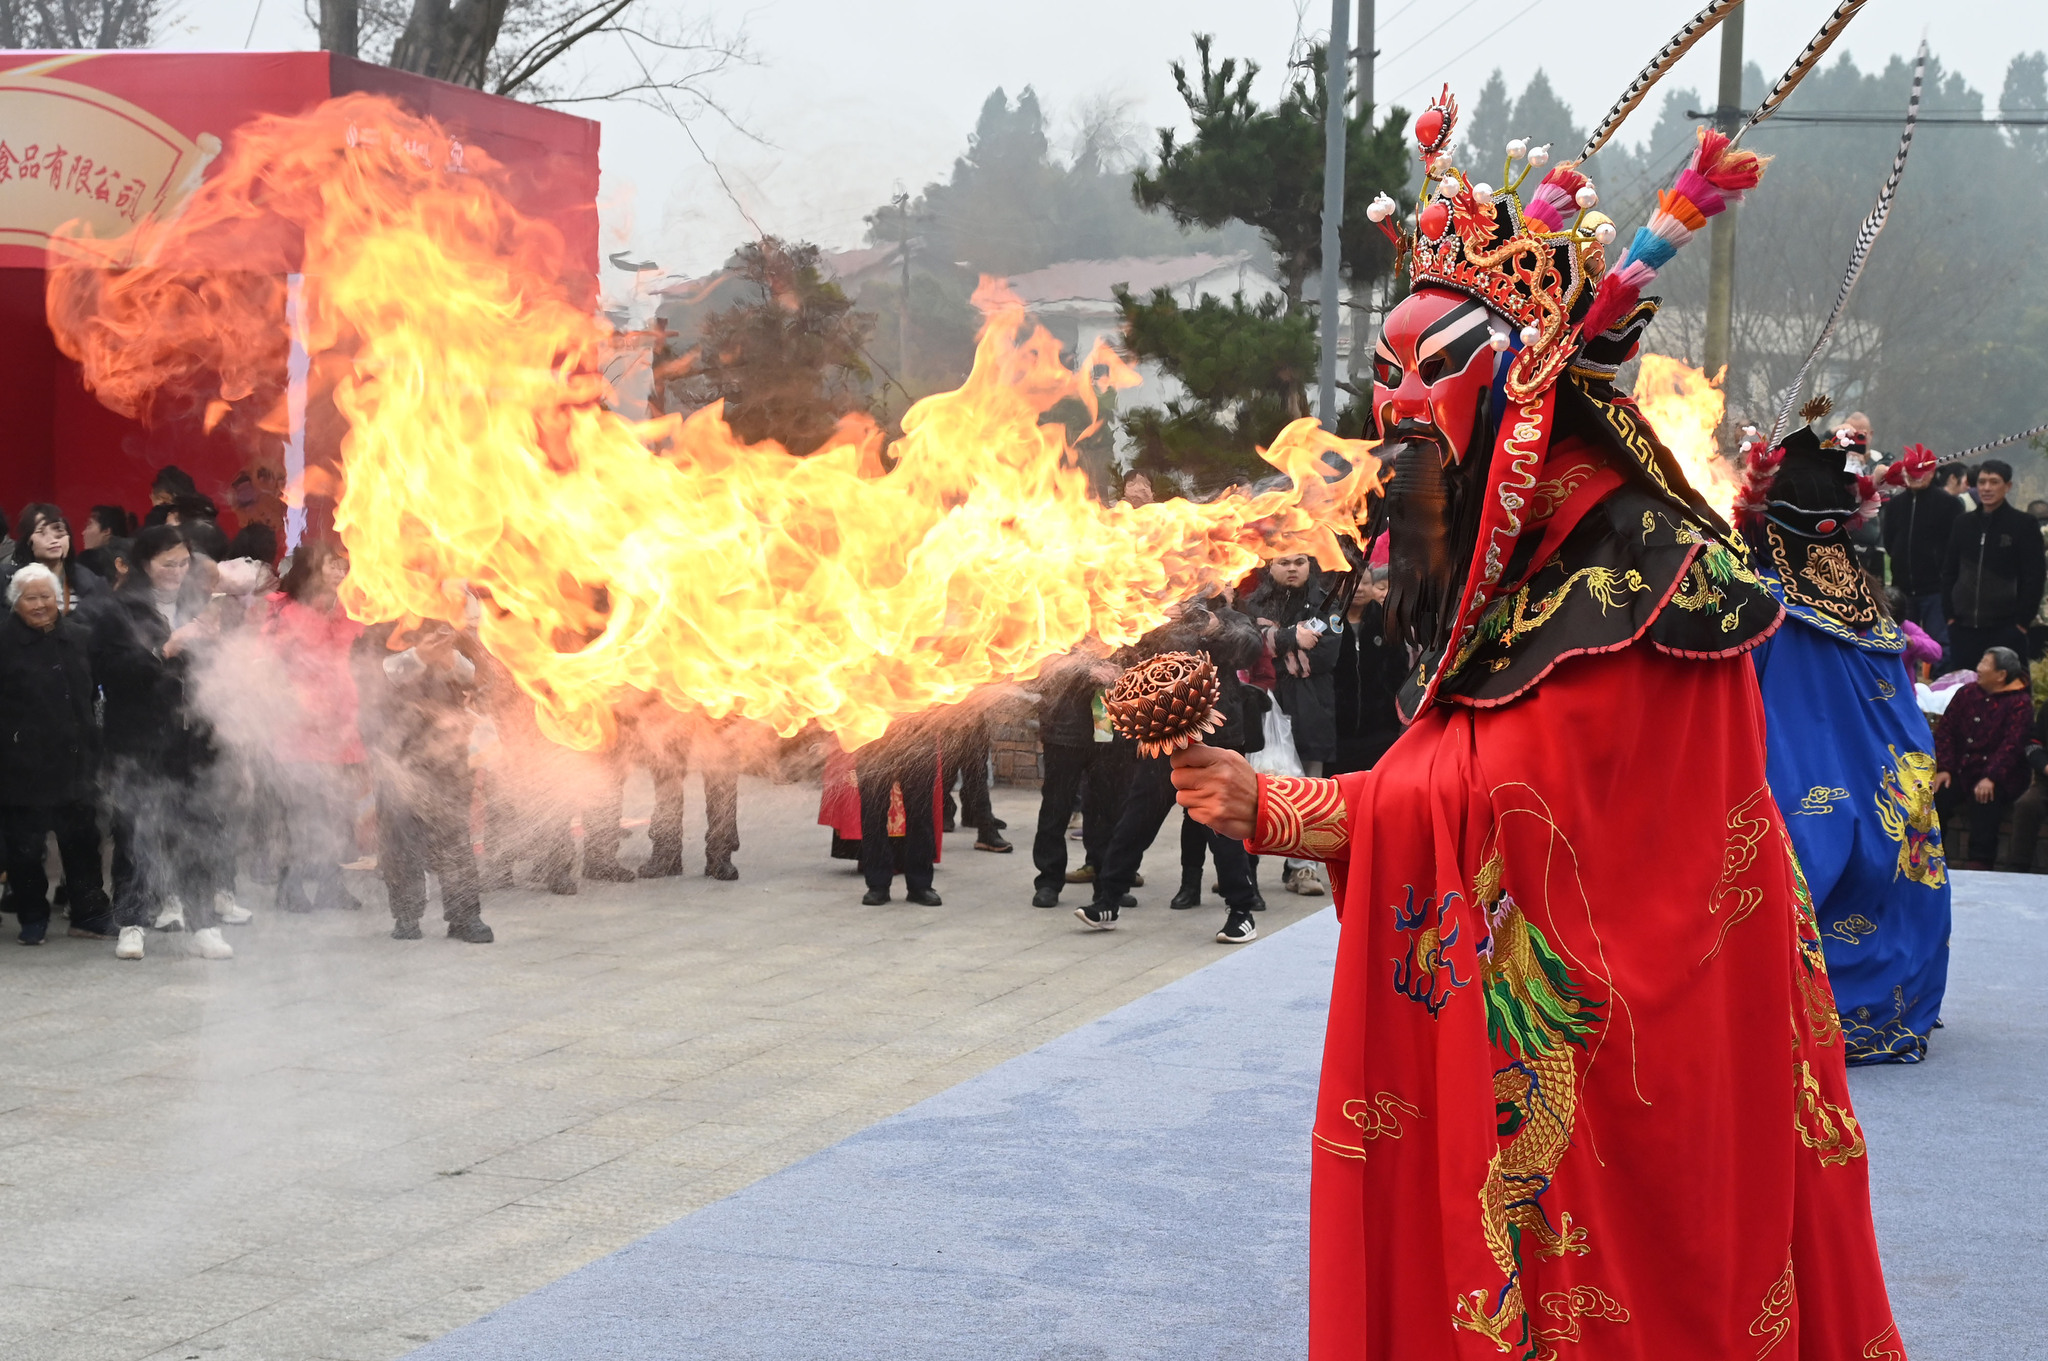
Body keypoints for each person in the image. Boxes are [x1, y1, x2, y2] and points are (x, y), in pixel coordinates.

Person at [1169, 94, 1899, 1356]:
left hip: (1647, 1030)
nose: (1394, 409)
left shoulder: (1639, 566)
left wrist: (1287, 805)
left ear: (1519, 386)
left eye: (1426, 368)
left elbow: (1515, 791)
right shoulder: (1525, 556)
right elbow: (1458, 751)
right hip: (1596, 1000)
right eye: (1382, 371)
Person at [1741, 422, 1950, 1063]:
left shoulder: (1761, 610)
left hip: (1799, 797)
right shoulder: (1880, 618)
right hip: (1891, 799)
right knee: (1893, 849)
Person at [1077, 595, 1263, 943]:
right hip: (1161, 739)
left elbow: (1250, 649)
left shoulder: (1228, 618)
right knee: (1136, 820)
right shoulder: (1153, 618)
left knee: (1219, 826)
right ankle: (1106, 901)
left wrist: (1214, 627)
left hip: (1213, 739)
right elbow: (1127, 655)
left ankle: (1242, 911)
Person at [90, 525, 232, 960]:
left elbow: (214, 671)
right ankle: (131, 922)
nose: (176, 571)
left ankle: (203, 922)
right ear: (143, 563)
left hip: (190, 738)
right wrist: (167, 649)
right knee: (135, 830)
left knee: (196, 828)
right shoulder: (119, 609)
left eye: (183, 562)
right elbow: (111, 675)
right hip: (137, 738)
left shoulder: (197, 605)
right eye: (166, 563)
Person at [357, 619, 493, 942]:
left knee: (455, 837)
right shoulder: (380, 618)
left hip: (448, 750)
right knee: (400, 836)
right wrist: (417, 656)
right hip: (396, 750)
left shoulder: (446, 620)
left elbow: (476, 676)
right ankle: (406, 916)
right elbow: (371, 676)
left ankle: (464, 916)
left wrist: (449, 659)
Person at [0, 566, 114, 944]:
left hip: (77, 764)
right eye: (30, 598)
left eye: (46, 596)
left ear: (58, 599)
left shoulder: (78, 637)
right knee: (25, 849)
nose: (39, 605)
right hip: (22, 766)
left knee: (82, 844)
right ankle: (33, 917)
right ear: (15, 603)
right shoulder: (4, 642)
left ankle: (90, 915)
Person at [264, 537, 366, 913]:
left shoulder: (348, 609)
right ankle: (290, 887)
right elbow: (267, 665)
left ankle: (330, 884)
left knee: (337, 812)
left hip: (342, 727)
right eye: (331, 564)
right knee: (300, 812)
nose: (339, 571)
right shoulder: (282, 611)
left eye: (342, 564)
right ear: (310, 568)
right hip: (298, 729)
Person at [1242, 553, 1341, 897]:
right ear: (1269, 567)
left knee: (1311, 792)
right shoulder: (1252, 604)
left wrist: (1274, 641)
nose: (1292, 568)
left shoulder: (1326, 603)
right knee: (1255, 789)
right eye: (1283, 562)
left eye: (1299, 561)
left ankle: (1303, 869)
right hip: (1264, 705)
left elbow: (1326, 655)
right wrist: (1291, 638)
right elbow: (1248, 650)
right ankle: (1243, 872)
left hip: (1311, 704)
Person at [1028, 651, 1130, 909]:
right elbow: (1043, 668)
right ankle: (1049, 881)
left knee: (1106, 810)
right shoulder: (1054, 617)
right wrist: (1086, 673)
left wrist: (1122, 671)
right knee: (1056, 808)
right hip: (1064, 729)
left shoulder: (1119, 614)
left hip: (1105, 726)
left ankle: (1107, 884)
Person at [1932, 645, 2036, 869]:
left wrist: (1992, 776)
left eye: (1985, 664)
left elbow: (2013, 745)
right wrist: (1945, 767)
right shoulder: (1967, 693)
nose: (1978, 668)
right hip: (1960, 769)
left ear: (2001, 675)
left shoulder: (2020, 704)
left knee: (1986, 800)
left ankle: (1979, 863)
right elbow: (1946, 731)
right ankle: (1930, 855)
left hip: (1999, 775)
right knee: (1937, 794)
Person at [1941, 458, 2045, 671]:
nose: (1987, 488)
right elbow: (1949, 571)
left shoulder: (2023, 525)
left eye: (1994, 482)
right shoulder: (1963, 524)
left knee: (2009, 692)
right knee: (1965, 691)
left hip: (2006, 627)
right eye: (1982, 482)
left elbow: (2034, 577)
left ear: (2008, 486)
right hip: (1963, 627)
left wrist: (2022, 623)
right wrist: (1950, 616)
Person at [1878, 442, 1963, 648]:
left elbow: (1955, 546)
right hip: (1903, 587)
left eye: (1921, 472)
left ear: (1932, 473)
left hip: (1936, 587)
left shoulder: (1950, 504)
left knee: (1940, 643)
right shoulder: (1896, 505)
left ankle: (1939, 679)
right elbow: (1890, 541)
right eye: (1911, 472)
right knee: (1900, 640)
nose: (1916, 477)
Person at [853, 719, 943, 906]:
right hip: (873, 731)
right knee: (873, 811)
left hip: (918, 729)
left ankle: (920, 885)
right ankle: (877, 885)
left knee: (920, 811)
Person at [1329, 565, 1406, 775]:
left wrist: (1392, 714)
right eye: (1352, 582)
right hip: (1335, 732)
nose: (1359, 588)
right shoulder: (1327, 621)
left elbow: (1399, 670)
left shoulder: (1386, 620)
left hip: (1380, 730)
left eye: (1365, 582)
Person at [4, 504, 108, 619]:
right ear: (28, 542)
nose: (52, 539)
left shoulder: (92, 583)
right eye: (41, 532)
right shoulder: (8, 581)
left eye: (58, 531)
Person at [1997, 698, 2048, 873]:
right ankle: (2016, 869)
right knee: (2026, 805)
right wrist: (2045, 766)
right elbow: (2033, 745)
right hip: (2045, 783)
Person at [76, 505, 133, 587]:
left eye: (89, 525)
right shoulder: (134, 557)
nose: (83, 532)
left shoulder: (89, 561)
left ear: (106, 531)